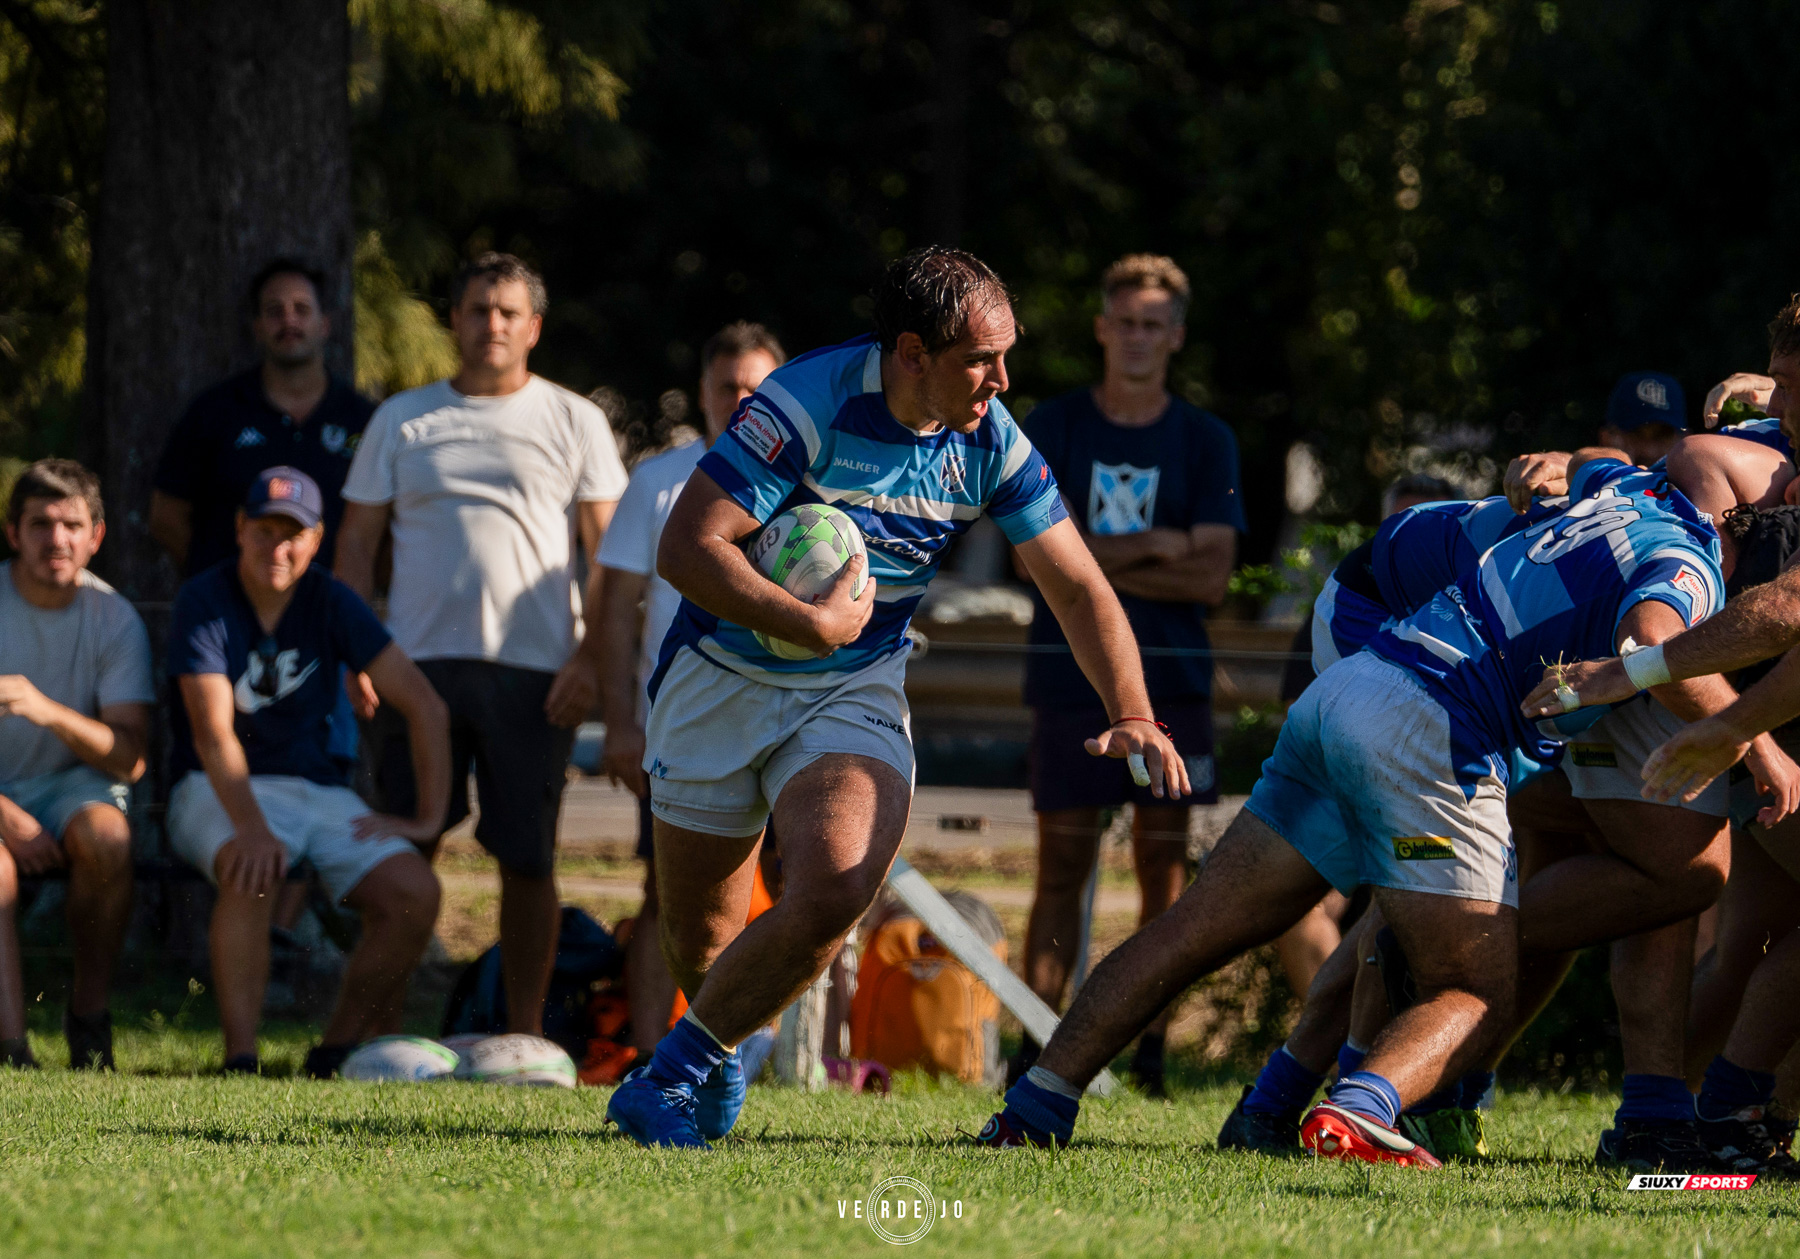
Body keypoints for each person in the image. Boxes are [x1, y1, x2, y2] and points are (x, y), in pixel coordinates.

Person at [978, 447, 1723, 1165]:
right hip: (1410, 686)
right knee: (1469, 983)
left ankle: (1037, 1104)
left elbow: (1588, 463)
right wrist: (1753, 737)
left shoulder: (1616, 487)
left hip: (1359, 682)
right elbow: (1651, 639)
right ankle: (1359, 1105)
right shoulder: (1684, 559)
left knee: (1200, 925)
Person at [605, 246, 1186, 1149]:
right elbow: (687, 548)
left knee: (837, 883)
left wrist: (1132, 708)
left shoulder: (988, 437)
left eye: (1006, 354)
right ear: (912, 352)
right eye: (979, 358)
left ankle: (664, 1076)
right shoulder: (805, 404)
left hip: (853, 686)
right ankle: (711, 1055)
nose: (1002, 377)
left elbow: (1074, 584)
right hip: (717, 685)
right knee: (707, 947)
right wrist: (806, 621)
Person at [336, 252, 629, 1037]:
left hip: (537, 673)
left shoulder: (575, 420)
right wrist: (355, 651)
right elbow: (357, 546)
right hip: (413, 671)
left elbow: (611, 557)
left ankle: (524, 1036)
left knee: (527, 860)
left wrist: (590, 660)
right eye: (476, 309)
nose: (490, 324)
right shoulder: (402, 418)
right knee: (405, 850)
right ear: (454, 320)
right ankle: (378, 1034)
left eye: (507, 312)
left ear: (533, 327)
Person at [1010, 254, 1240, 1096]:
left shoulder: (1204, 439)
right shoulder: (1057, 424)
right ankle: (1032, 1046)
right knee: (1059, 866)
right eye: (1125, 321)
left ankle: (1146, 1055)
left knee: (1164, 873)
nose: (1138, 337)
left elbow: (1211, 574)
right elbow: (1030, 560)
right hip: (1070, 678)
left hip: (1173, 681)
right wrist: (1159, 545)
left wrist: (1091, 563)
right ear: (1102, 328)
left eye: (1155, 323)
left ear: (1174, 335)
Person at [166, 468, 450, 1076]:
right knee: (250, 866)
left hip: (317, 791)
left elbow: (425, 703)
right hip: (214, 785)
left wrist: (429, 818)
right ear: (240, 529)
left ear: (316, 539)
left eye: (293, 533)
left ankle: (334, 1051)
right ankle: (241, 1058)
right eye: (265, 529)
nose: (279, 546)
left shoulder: (332, 601)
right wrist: (251, 826)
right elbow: (212, 732)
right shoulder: (204, 599)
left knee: (415, 893)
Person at [595, 321, 787, 1054]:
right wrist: (620, 721)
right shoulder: (658, 481)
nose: (740, 399)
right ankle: (652, 1055)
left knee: (796, 898)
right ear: (704, 393)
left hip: (787, 716)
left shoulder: (810, 481)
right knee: (667, 900)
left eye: (755, 387)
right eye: (726, 386)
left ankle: (767, 1054)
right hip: (684, 725)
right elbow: (614, 610)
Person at [0, 460, 151, 1070]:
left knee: (108, 838)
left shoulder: (115, 619)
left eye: (71, 524)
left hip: (72, 788)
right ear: (13, 533)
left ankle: (89, 1018)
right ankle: (12, 1045)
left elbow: (131, 759)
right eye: (40, 524)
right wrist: (5, 815)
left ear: (97, 536)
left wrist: (46, 710)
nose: (55, 540)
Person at [149, 259, 375, 578]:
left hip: (330, 619)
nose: (288, 320)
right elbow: (165, 516)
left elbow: (386, 532)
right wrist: (221, 584)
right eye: (274, 311)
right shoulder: (214, 412)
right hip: (231, 622)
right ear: (257, 327)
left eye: (301, 309)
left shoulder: (364, 420)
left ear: (324, 324)